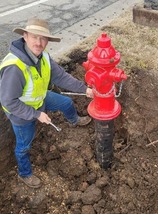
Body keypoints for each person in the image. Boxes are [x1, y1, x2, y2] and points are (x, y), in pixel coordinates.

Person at [0, 18, 93, 188]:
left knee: (66, 103)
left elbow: (61, 76)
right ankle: (25, 174)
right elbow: (8, 101)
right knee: (24, 146)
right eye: (35, 37)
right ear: (25, 36)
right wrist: (36, 115)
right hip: (21, 114)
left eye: (43, 38)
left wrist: (84, 89)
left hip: (40, 98)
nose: (39, 42)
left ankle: (74, 120)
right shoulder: (15, 67)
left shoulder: (43, 58)